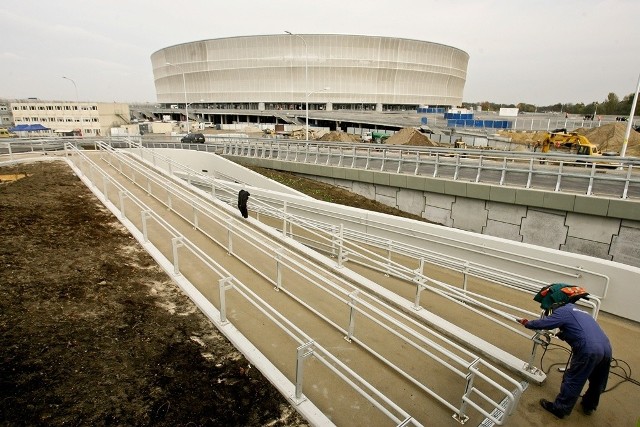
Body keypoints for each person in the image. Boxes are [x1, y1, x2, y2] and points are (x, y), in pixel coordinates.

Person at [518, 284, 612, 419]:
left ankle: (560, 408)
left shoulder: (562, 311)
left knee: (574, 379)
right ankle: (589, 405)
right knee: (598, 380)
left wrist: (527, 323)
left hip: (588, 349)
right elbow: (579, 330)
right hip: (606, 346)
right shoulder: (578, 311)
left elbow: (545, 323)